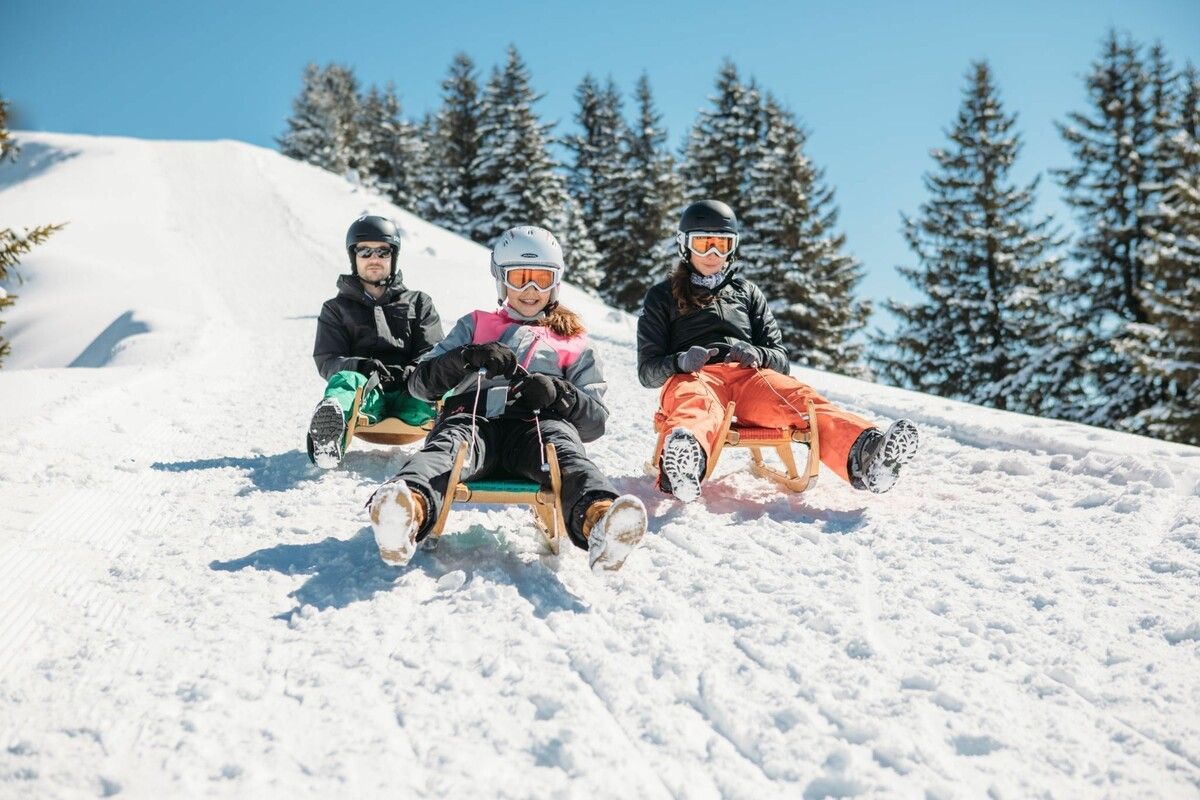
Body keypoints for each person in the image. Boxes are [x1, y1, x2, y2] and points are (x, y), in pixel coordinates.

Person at [367, 226, 647, 573]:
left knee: (564, 452)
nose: (531, 291)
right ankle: (407, 508)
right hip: (472, 419)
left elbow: (595, 422)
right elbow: (419, 385)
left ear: (556, 283)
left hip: (536, 426)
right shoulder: (475, 325)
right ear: (502, 280)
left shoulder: (573, 341)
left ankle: (600, 519)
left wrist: (561, 394)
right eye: (520, 279)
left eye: (541, 280)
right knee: (447, 449)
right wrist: (466, 358)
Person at [637, 199, 919, 502]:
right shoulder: (661, 296)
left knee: (800, 400)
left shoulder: (746, 293)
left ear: (732, 247)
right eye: (703, 243)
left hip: (749, 378)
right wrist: (680, 361)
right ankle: (684, 463)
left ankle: (867, 456)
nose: (713, 254)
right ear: (685, 245)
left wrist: (759, 355)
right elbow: (647, 371)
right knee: (696, 407)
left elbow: (780, 358)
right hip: (695, 377)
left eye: (721, 244)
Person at [307, 215, 444, 469]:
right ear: (353, 257)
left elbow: (434, 350)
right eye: (365, 251)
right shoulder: (336, 309)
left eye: (382, 252)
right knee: (346, 380)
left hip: (411, 390)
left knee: (439, 381)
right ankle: (328, 438)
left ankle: (454, 440)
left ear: (393, 257)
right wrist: (362, 367)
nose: (374, 258)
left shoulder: (419, 302)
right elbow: (328, 359)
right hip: (366, 394)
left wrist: (412, 372)